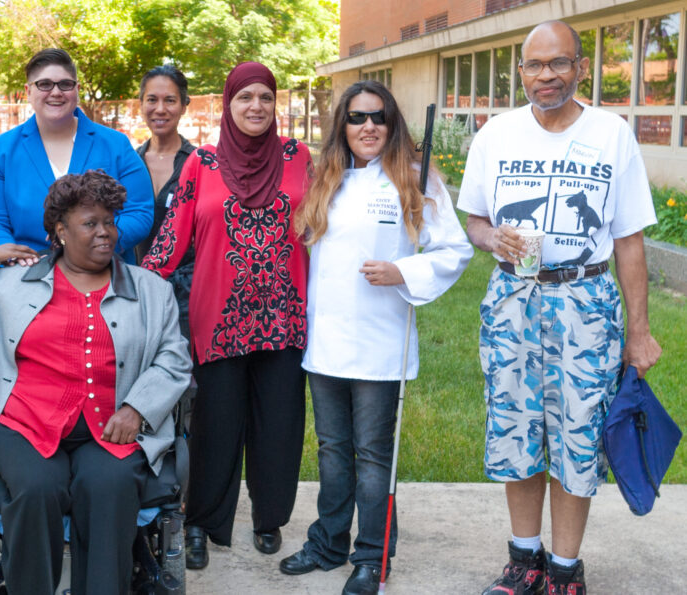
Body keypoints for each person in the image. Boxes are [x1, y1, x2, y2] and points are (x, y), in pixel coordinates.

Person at [457, 21, 662, 595]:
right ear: (520, 71)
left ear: (580, 68)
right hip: (513, 298)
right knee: (516, 429)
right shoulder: (495, 135)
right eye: (534, 65)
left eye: (558, 63)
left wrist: (639, 332)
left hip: (586, 301)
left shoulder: (611, 134)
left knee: (577, 434)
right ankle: (524, 560)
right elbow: (474, 220)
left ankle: (566, 570)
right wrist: (491, 238)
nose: (545, 75)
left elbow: (629, 239)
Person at [0, 170, 191, 594]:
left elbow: (173, 358)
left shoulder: (151, 290)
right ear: (60, 231)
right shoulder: (11, 284)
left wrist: (137, 408)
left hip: (113, 421)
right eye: (90, 224)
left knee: (108, 486)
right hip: (22, 419)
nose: (106, 233)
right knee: (38, 487)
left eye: (109, 222)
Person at [279, 80, 472, 594]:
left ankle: (372, 555)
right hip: (326, 342)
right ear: (342, 125)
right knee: (332, 449)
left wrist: (403, 271)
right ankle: (328, 542)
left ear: (393, 124)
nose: (368, 127)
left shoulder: (415, 180)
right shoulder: (328, 179)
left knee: (372, 454)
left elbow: (453, 251)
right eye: (358, 117)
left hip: (380, 343)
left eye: (379, 117)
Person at [143, 61, 313, 569]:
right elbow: (172, 237)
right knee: (215, 427)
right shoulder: (203, 164)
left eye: (265, 97)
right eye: (245, 98)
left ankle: (269, 519)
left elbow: (332, 221)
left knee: (279, 423)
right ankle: (203, 523)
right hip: (217, 320)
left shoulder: (300, 157)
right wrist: (128, 285)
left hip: (284, 316)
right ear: (227, 104)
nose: (256, 106)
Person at [0, 48, 153, 265]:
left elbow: (139, 211)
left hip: (104, 272)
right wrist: (12, 255)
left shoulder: (116, 144)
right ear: (28, 91)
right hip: (26, 274)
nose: (56, 92)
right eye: (44, 84)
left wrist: (95, 242)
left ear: (77, 89)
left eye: (65, 84)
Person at [134, 64, 197, 334]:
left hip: (188, 296)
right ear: (141, 104)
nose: (160, 109)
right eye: (152, 99)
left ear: (184, 105)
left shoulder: (201, 164)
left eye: (170, 100)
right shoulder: (128, 162)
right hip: (135, 290)